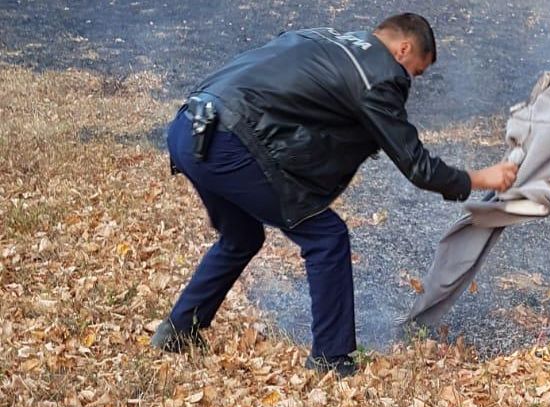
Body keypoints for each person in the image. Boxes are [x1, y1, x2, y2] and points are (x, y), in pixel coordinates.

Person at [152, 13, 518, 375]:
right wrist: (481, 178)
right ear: (403, 48)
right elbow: (417, 166)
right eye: (415, 71)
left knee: (241, 237)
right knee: (327, 237)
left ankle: (179, 330)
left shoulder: (322, 39)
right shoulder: (378, 74)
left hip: (190, 128)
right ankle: (332, 359)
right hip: (230, 143)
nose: (410, 80)